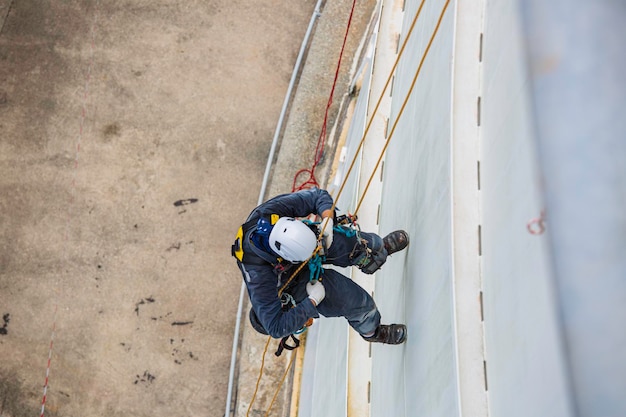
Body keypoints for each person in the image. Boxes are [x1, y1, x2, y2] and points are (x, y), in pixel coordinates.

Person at [231, 187, 409, 344]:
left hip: (313, 239)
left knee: (352, 244)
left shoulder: (269, 213)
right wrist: (312, 301)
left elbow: (316, 196)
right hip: (294, 282)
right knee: (354, 301)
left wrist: (327, 220)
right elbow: (276, 327)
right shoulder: (259, 279)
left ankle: (378, 251)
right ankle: (373, 331)